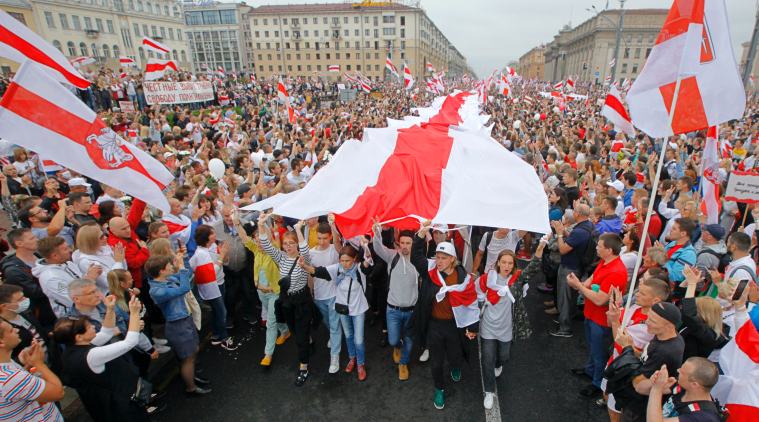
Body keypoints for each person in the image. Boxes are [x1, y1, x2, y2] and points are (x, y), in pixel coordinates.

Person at [410, 220, 479, 410]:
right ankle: (439, 388)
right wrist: (420, 235)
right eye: (437, 256)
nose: (438, 261)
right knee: (437, 363)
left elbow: (471, 302)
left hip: (454, 326)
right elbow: (416, 257)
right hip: (434, 325)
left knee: (455, 356)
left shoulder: (463, 278)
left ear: (452, 259)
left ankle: (456, 366)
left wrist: (472, 327)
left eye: (443, 257)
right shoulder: (430, 270)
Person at [476, 243, 542, 410]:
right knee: (487, 359)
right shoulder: (488, 278)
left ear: (514, 265)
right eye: (503, 262)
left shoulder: (517, 279)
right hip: (488, 327)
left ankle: (499, 364)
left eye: (510, 263)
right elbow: (476, 292)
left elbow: (533, 267)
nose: (506, 266)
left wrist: (541, 247)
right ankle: (489, 392)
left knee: (504, 356)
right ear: (498, 263)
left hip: (507, 328)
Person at [299, 242, 373, 381]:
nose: (344, 264)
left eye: (348, 261)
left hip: (358, 309)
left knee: (358, 339)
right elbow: (318, 271)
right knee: (348, 336)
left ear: (354, 259)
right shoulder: (336, 269)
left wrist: (366, 246)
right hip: (343, 308)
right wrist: (304, 266)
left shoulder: (359, 269)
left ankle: (360, 364)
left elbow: (367, 262)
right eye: (342, 260)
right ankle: (352, 359)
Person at [567, 233, 628, 398]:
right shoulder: (606, 262)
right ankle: (590, 370)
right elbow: (593, 279)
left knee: (599, 352)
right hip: (591, 314)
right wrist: (581, 284)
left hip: (601, 320)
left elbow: (600, 299)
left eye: (599, 246)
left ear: (608, 250)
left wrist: (578, 286)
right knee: (593, 348)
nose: (596, 248)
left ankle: (597, 382)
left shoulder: (616, 271)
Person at [258, 214, 314, 386]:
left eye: (292, 243)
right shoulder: (280, 257)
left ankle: (304, 367)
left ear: (296, 244)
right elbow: (267, 245)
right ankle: (306, 338)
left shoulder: (304, 258)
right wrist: (261, 225)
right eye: (286, 243)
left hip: (302, 300)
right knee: (296, 331)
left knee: (301, 338)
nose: (288, 246)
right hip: (288, 303)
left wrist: (298, 229)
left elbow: (304, 248)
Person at [604, 277, 671, 421]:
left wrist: (616, 322)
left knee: (615, 410)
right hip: (614, 361)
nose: (637, 295)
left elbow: (622, 344)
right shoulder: (633, 307)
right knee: (606, 394)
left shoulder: (652, 326)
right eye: (638, 291)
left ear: (655, 300)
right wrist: (614, 310)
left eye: (643, 293)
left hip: (625, 372)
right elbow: (611, 324)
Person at [147, 254, 211, 397]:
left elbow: (187, 276)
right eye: (169, 265)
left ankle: (191, 376)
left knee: (192, 351)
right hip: (178, 325)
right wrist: (181, 267)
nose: (171, 267)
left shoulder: (167, 279)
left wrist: (183, 263)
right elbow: (184, 288)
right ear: (161, 271)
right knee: (187, 357)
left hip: (185, 321)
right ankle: (191, 387)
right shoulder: (157, 290)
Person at [231, 213, 287, 367]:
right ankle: (285, 331)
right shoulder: (256, 251)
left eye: (261, 240)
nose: (258, 243)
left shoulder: (274, 250)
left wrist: (262, 225)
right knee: (274, 316)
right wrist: (236, 224)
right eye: (256, 240)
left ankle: (267, 354)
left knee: (270, 322)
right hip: (261, 293)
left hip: (274, 293)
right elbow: (244, 238)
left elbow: (266, 237)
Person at [616, 302, 686, 422]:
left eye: (653, 321)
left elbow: (639, 386)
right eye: (648, 317)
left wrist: (627, 349)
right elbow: (646, 357)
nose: (647, 322)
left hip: (639, 408)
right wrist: (631, 348)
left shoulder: (665, 351)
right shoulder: (665, 335)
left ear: (669, 326)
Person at [372, 221, 419, 381]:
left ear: (413, 244)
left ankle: (403, 364)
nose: (405, 246)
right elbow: (378, 248)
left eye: (408, 243)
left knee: (409, 340)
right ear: (399, 243)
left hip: (412, 311)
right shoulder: (392, 255)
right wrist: (377, 231)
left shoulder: (419, 261)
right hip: (393, 310)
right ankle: (397, 347)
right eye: (403, 242)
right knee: (393, 340)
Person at [0, 319, 64, 421]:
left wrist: (28, 365)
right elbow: (58, 392)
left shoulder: (6, 366)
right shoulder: (10, 377)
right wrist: (39, 364)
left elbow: (20, 388)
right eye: (11, 330)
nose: (17, 330)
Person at [189, 225, 237, 350]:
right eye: (212, 233)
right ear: (207, 237)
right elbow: (211, 273)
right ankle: (223, 338)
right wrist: (222, 256)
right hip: (212, 287)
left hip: (220, 282)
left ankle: (216, 335)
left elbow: (222, 262)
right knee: (221, 311)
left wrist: (223, 255)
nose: (215, 235)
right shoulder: (201, 254)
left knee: (217, 311)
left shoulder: (213, 246)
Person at [550, 203, 594, 337]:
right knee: (570, 298)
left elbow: (563, 250)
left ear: (578, 214)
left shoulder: (579, 231)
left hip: (570, 268)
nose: (572, 213)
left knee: (565, 298)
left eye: (574, 211)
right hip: (577, 266)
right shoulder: (588, 226)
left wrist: (559, 235)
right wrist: (564, 231)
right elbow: (574, 240)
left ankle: (565, 327)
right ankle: (568, 317)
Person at [32, 236, 102, 318]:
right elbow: (73, 300)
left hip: (94, 307)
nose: (70, 250)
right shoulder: (50, 279)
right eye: (65, 249)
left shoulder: (67, 263)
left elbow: (80, 281)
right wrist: (90, 278)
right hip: (79, 318)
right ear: (55, 256)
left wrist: (88, 275)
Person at [1, 228, 57, 327]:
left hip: (55, 305)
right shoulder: (14, 271)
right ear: (19, 243)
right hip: (44, 314)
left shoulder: (38, 255)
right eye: (31, 238)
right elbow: (35, 292)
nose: (37, 239)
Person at [308, 216, 343, 374]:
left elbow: (337, 242)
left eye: (324, 238)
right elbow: (310, 274)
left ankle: (334, 357)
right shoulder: (311, 253)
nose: (321, 241)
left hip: (334, 294)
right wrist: (311, 291)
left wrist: (332, 224)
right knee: (327, 322)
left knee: (334, 326)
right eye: (319, 238)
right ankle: (335, 336)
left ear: (329, 236)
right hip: (319, 295)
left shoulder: (334, 250)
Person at [646, 358, 722, 422]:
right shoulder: (684, 386)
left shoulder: (703, 417)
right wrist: (656, 382)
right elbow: (641, 389)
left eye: (682, 372)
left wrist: (657, 389)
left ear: (694, 384)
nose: (677, 370)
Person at [679, 266, 729, 360]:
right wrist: (687, 282)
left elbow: (689, 314)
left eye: (695, 308)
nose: (692, 307)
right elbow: (681, 306)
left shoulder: (710, 335)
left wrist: (692, 284)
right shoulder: (704, 328)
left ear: (704, 314)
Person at [73, 224, 127, 294]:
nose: (105, 237)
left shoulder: (104, 248)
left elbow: (124, 271)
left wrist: (121, 258)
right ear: (91, 241)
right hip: (110, 295)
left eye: (104, 234)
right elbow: (108, 283)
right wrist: (118, 262)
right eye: (101, 237)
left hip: (122, 288)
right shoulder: (86, 261)